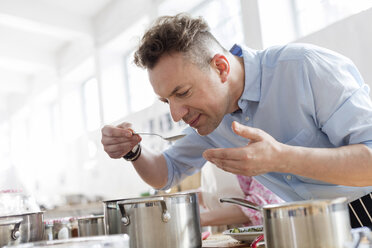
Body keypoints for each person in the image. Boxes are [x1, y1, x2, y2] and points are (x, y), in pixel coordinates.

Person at [101, 13, 372, 228]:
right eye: (166, 101)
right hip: (310, 223)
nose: (176, 115)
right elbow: (166, 173)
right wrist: (133, 151)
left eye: (181, 93)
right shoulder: (210, 118)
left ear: (221, 67)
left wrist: (281, 157)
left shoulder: (305, 67)